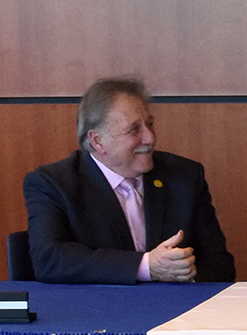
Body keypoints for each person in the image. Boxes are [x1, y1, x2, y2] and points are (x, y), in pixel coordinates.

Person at [23, 77, 235, 284]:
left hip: (176, 310)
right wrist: (145, 267)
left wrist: (182, 273)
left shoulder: (184, 176)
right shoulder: (53, 184)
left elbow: (220, 264)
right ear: (98, 141)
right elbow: (49, 260)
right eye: (134, 130)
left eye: (149, 125)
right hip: (99, 312)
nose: (150, 138)